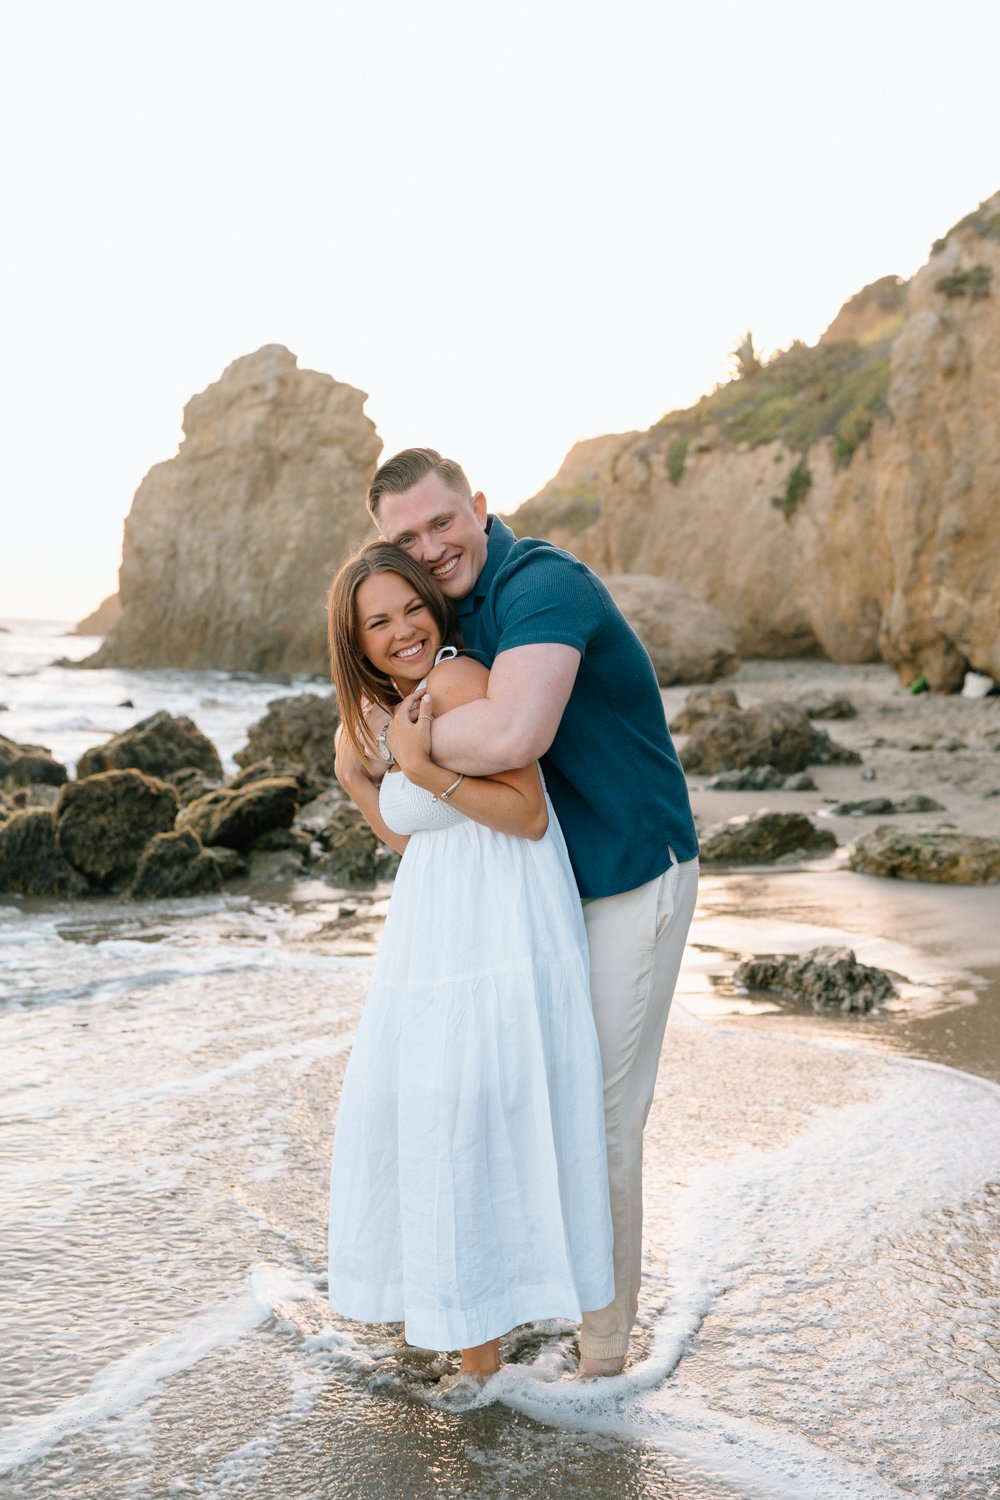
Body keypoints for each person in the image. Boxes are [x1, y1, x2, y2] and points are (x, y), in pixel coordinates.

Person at [344, 448, 700, 1379]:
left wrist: (388, 743)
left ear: (481, 509)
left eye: (442, 522)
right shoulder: (447, 616)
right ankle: (527, 1296)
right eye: (406, 538)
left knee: (602, 1114)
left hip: (628, 872)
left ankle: (604, 1359)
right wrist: (377, 749)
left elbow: (514, 735)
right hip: (545, 897)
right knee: (526, 1100)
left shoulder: (543, 584)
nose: (431, 547)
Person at [326, 542, 614, 1377]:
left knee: (466, 1115)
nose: (403, 629)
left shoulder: (455, 681)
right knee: (438, 1122)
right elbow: (405, 836)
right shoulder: (386, 708)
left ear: (433, 605)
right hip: (439, 925)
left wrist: (415, 764)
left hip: (502, 921)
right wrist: (360, 778)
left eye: (410, 607)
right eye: (377, 622)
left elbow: (525, 812)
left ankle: (486, 1357)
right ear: (355, 642)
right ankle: (474, 1346)